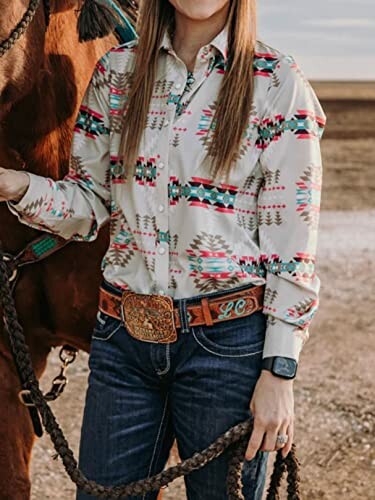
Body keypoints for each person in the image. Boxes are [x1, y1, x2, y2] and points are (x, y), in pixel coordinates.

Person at [0, 0, 326, 498]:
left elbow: (292, 250)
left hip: (228, 348)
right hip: (123, 347)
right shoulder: (117, 72)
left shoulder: (277, 82)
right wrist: (12, 185)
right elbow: (89, 203)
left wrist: (279, 372)